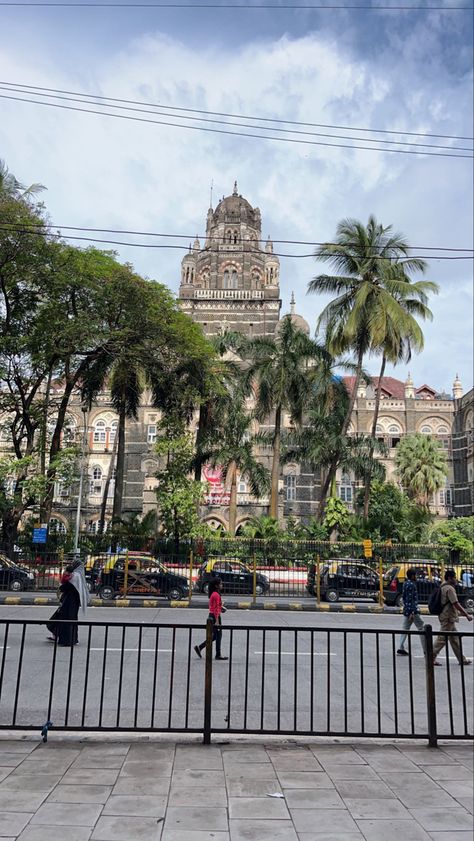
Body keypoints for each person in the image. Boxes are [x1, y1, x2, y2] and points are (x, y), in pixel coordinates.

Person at [432, 569, 472, 666]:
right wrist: (466, 615)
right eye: (454, 577)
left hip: (446, 616)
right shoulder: (449, 588)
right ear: (449, 578)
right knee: (442, 639)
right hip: (448, 617)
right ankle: (430, 656)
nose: (455, 579)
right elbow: (456, 603)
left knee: (455, 639)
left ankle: (462, 659)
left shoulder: (443, 586)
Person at [46, 560, 89, 646]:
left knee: (67, 619)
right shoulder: (78, 575)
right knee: (70, 619)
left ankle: (67, 640)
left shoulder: (75, 576)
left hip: (70, 601)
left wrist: (61, 588)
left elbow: (68, 586)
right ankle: (70, 638)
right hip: (72, 601)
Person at [194, 577, 228, 661]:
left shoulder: (214, 594)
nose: (222, 585)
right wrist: (217, 621)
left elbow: (215, 606)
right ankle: (218, 654)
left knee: (214, 636)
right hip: (214, 617)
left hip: (211, 615)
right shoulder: (216, 595)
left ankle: (200, 647)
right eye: (220, 583)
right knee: (218, 636)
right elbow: (216, 609)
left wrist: (221, 608)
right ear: (216, 586)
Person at [397, 568, 426, 656]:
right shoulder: (411, 585)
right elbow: (411, 599)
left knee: (405, 628)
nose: (416, 577)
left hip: (407, 609)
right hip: (412, 610)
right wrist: (412, 612)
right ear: (412, 576)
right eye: (415, 575)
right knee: (422, 628)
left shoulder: (406, 583)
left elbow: (406, 598)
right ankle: (426, 649)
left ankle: (400, 647)